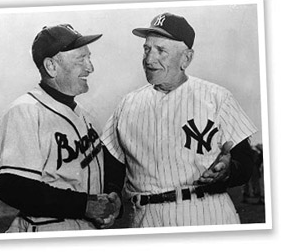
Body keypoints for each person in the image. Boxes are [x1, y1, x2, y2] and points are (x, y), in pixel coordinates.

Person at [102, 13, 257, 227]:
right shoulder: (127, 104)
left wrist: (229, 171)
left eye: (161, 51)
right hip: (145, 218)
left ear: (186, 58)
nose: (149, 59)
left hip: (207, 213)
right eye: (147, 49)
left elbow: (246, 163)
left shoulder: (217, 98)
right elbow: (113, 163)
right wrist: (113, 193)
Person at [0, 24, 121, 232]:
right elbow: (11, 186)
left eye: (89, 57)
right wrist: (83, 205)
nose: (90, 67)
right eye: (81, 60)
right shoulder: (24, 111)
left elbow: (109, 167)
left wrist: (114, 196)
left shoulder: (88, 117)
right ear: (51, 66)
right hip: (45, 230)